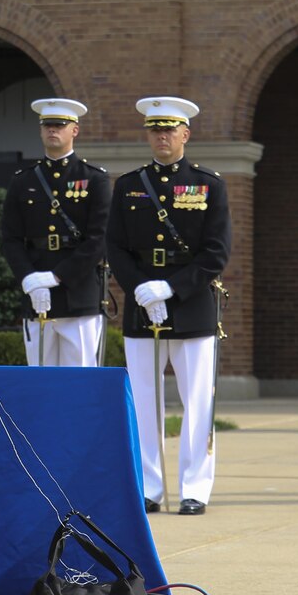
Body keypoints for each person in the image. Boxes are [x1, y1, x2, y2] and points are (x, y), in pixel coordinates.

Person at [107, 97, 231, 516]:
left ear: (185, 134)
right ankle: (151, 488)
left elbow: (216, 252)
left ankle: (195, 487)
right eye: (155, 129)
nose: (162, 136)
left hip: (192, 305)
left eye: (170, 129)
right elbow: (116, 247)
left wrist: (171, 289)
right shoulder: (128, 185)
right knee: (144, 401)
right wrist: (142, 289)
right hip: (142, 304)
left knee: (198, 402)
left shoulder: (208, 184)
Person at [0, 98, 111, 367]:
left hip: (79, 295)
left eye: (60, 125)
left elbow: (99, 239)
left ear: (74, 130)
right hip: (36, 290)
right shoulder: (23, 180)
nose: (53, 130)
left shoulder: (95, 178)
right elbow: (11, 237)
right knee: (39, 379)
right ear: (40, 131)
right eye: (47, 125)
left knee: (80, 378)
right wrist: (29, 278)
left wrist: (57, 276)